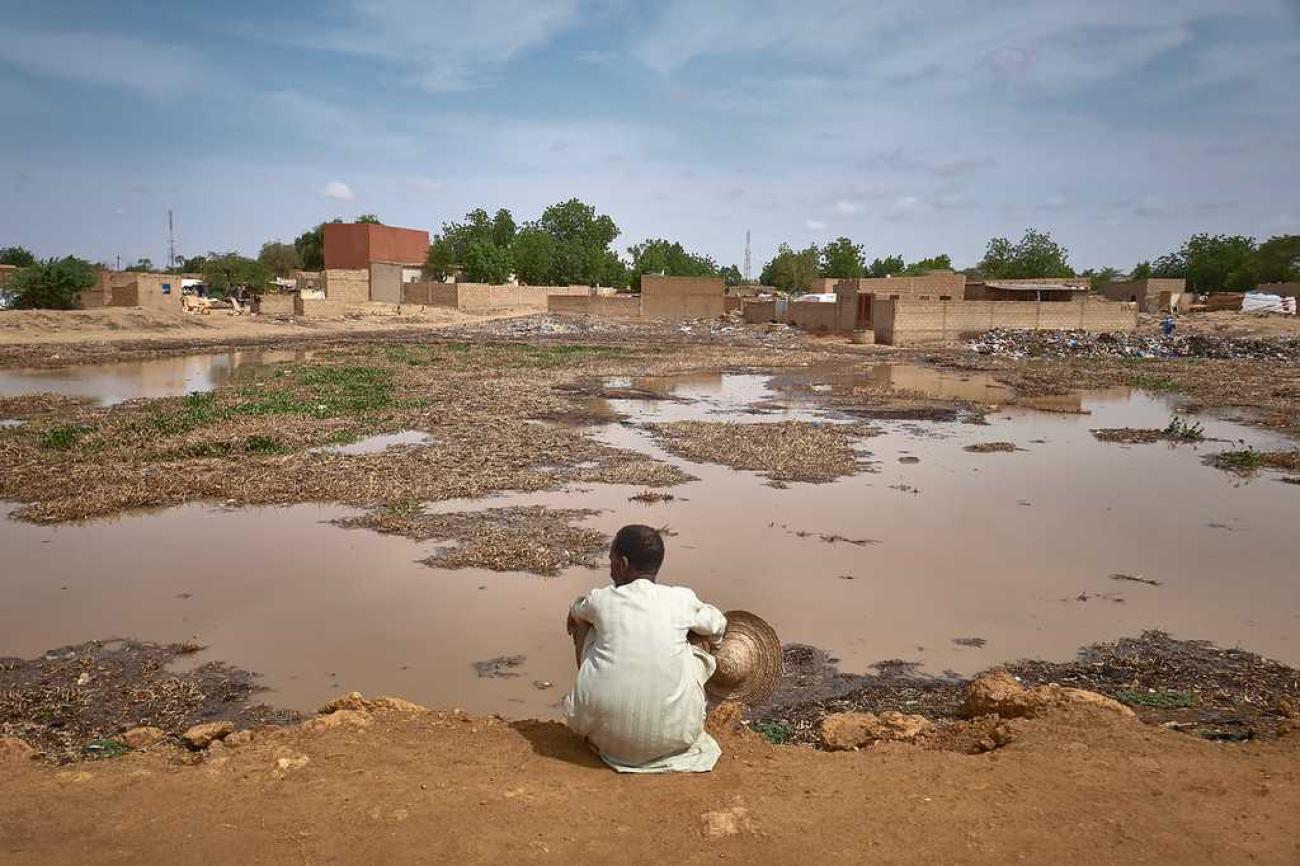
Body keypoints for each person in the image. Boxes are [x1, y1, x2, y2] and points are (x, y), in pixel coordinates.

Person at [562, 524, 727, 773]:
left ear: (623, 563)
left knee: (586, 624)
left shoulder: (601, 599)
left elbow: (576, 611)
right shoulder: (681, 600)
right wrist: (709, 642)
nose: (610, 570)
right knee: (695, 637)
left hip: (606, 740)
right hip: (677, 738)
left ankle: (600, 711)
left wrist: (576, 615)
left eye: (611, 561)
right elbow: (718, 625)